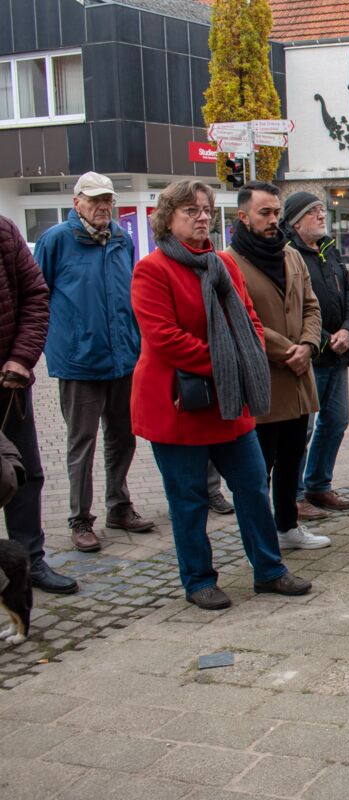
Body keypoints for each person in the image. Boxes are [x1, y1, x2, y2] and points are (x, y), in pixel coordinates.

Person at [130, 179, 311, 609]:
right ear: (167, 218)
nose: (202, 217)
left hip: (229, 404)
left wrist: (239, 353)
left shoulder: (222, 265)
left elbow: (248, 318)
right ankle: (198, 581)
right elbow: (165, 338)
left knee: (251, 487)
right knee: (189, 500)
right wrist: (229, 360)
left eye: (206, 209)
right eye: (191, 210)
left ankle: (269, 571)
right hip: (180, 405)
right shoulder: (152, 269)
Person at [34, 171, 154, 553]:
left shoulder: (120, 238)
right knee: (81, 443)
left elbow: (128, 292)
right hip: (79, 360)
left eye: (108, 200)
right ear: (77, 203)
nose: (103, 206)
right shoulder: (56, 240)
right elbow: (39, 297)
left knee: (123, 437)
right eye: (95, 200)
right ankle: (80, 520)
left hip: (122, 358)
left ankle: (119, 506)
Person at [227, 182, 330, 551]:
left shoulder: (291, 255)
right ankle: (259, 537)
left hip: (298, 377)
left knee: (292, 459)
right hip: (263, 380)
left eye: (276, 212)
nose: (273, 220)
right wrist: (288, 350)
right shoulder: (230, 262)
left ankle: (288, 527)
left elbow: (311, 306)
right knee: (259, 467)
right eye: (264, 213)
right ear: (243, 217)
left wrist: (308, 344)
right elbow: (239, 317)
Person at [0, 214, 78, 594]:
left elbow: (34, 295)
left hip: (8, 385)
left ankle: (30, 561)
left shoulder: (4, 231)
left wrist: (21, 357)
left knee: (24, 474)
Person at [282, 192, 349, 517]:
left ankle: (318, 484)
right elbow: (297, 309)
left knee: (337, 420)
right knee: (304, 428)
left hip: (338, 355)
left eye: (320, 210)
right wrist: (328, 338)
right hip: (310, 357)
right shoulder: (288, 255)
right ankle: (295, 494)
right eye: (313, 212)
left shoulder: (330, 250)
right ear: (296, 220)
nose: (321, 216)